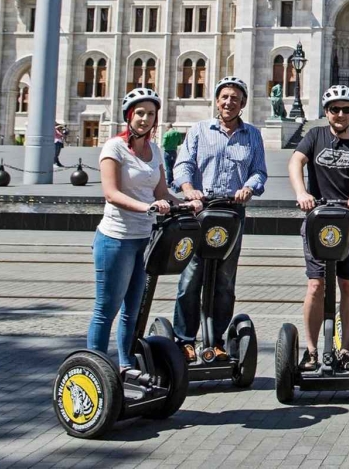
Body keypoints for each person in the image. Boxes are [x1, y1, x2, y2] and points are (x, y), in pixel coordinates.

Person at [88, 87, 192, 372]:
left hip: (144, 238)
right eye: (140, 113)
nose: (145, 119)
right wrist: (146, 208)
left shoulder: (155, 150)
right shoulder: (114, 148)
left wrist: (186, 202)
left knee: (132, 311)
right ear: (129, 116)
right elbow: (111, 193)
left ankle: (124, 365)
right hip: (115, 238)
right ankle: (95, 369)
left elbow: (161, 191)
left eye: (151, 114)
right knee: (105, 310)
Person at [170, 76, 268, 361]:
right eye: (224, 97)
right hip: (201, 210)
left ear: (243, 104)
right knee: (191, 277)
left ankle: (217, 339)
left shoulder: (252, 135)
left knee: (224, 280)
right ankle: (185, 339)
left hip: (231, 213)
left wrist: (249, 187)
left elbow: (259, 170)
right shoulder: (200, 130)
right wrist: (189, 191)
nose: (229, 102)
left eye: (235, 98)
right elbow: (184, 165)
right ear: (216, 100)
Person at [288, 84, 349, 371]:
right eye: (334, 109)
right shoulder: (314, 135)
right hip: (319, 221)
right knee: (316, 285)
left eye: (346, 110)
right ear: (327, 112)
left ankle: (345, 350)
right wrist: (302, 193)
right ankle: (313, 350)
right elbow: (296, 161)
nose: (340, 114)